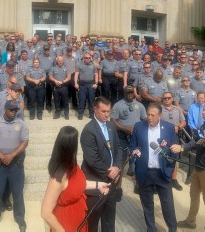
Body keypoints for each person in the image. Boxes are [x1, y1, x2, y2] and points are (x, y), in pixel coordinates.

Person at [41, 126, 110, 232]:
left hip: (79, 219)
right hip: (66, 223)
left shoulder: (73, 165)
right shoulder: (58, 177)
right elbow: (45, 212)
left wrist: (99, 185)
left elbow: (80, 184)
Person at [128, 105, 181, 232]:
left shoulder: (168, 128)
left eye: (153, 115)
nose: (150, 118)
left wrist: (169, 169)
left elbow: (174, 150)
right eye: (148, 114)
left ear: (160, 115)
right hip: (144, 172)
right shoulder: (138, 126)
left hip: (162, 173)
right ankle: (151, 229)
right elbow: (132, 146)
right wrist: (134, 151)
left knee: (167, 205)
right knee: (147, 205)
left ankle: (172, 229)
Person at [176, 101, 205, 231]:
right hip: (198, 166)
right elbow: (196, 137)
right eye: (203, 110)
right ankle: (190, 222)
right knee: (194, 196)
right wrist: (186, 144)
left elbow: (201, 142)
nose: (203, 112)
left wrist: (183, 147)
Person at [80, 97, 122, 232]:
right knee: (93, 222)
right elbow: (92, 160)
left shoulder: (110, 126)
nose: (106, 114)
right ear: (95, 109)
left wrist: (117, 167)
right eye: (103, 111)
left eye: (108, 111)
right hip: (95, 183)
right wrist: (109, 172)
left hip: (111, 182)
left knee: (109, 220)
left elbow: (118, 148)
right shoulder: (88, 130)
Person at [0, 100, 30, 231]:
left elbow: (25, 142)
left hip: (15, 164)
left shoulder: (21, 124)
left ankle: (19, 218)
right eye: (11, 110)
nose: (13, 112)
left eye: (15, 110)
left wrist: (12, 155)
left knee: (17, 192)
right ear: (5, 109)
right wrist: (1, 156)